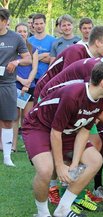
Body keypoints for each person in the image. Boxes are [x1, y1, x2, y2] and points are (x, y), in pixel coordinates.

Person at [22, 62, 103, 217]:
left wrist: (74, 163)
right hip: (38, 126)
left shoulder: (101, 99)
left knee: (95, 160)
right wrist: (60, 166)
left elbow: (83, 132)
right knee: (46, 170)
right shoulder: (73, 95)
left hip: (67, 131)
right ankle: (42, 213)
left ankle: (63, 209)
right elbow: (55, 132)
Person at [34, 25, 103, 103]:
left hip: (60, 94)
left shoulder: (98, 60)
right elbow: (67, 81)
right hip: (46, 90)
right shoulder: (76, 51)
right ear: (98, 43)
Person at [0, 8, 31, 167]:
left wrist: (16, 62)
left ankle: (7, 157)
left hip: (7, 84)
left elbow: (28, 59)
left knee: (7, 120)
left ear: (5, 21)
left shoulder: (16, 37)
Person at [12, 23, 38, 152]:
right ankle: (13, 146)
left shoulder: (33, 49)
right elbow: (9, 68)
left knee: (27, 119)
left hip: (29, 87)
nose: (22, 33)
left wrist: (28, 82)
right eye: (19, 31)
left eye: (24, 31)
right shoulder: (12, 49)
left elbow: (34, 68)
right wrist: (21, 81)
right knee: (14, 118)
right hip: (15, 85)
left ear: (28, 33)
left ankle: (29, 147)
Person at [28, 13, 56, 83]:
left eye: (41, 23)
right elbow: (27, 59)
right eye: (36, 24)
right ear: (33, 25)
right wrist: (44, 55)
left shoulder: (53, 40)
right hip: (31, 78)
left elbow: (52, 59)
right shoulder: (28, 41)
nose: (39, 26)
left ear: (45, 23)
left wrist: (34, 57)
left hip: (47, 78)